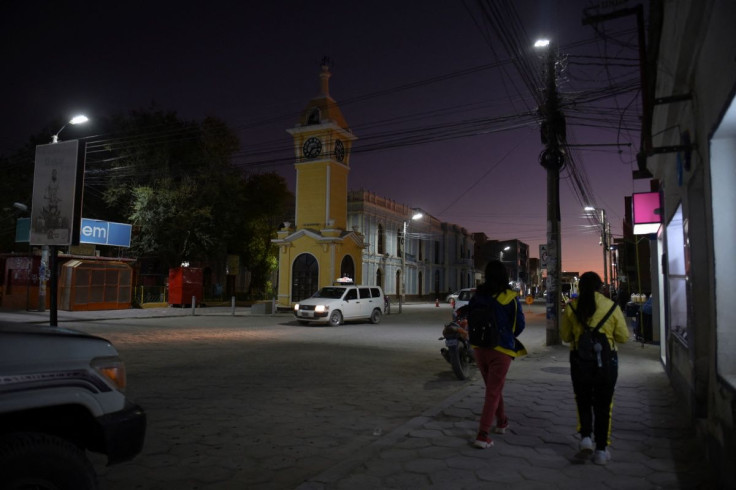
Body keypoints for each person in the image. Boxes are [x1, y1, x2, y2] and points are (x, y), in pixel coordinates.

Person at [561, 271, 629, 465]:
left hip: (579, 361)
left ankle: (585, 439)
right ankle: (601, 449)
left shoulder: (572, 308)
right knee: (604, 404)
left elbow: (566, 337)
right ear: (601, 287)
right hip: (606, 363)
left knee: (582, 400)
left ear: (580, 287)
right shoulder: (611, 307)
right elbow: (623, 337)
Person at [469, 260, 527, 449]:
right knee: (493, 391)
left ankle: (502, 421)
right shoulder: (510, 297)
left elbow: (471, 318)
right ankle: (482, 434)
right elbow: (519, 325)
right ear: (504, 276)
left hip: (479, 348)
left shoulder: (478, 295)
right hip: (501, 350)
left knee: (493, 388)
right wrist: (507, 336)